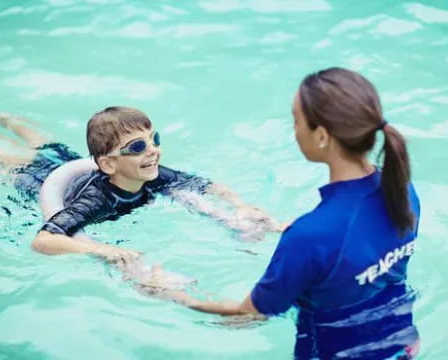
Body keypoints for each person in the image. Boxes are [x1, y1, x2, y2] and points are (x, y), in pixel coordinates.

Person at [174, 68, 421, 360]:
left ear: (321, 135)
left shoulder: (309, 237)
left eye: (296, 122)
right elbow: (358, 253)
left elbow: (248, 316)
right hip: (403, 346)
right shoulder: (402, 190)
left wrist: (175, 296)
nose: (295, 131)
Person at [0, 108, 281, 266]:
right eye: (137, 146)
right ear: (109, 165)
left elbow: (207, 186)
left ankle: (7, 119)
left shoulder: (153, 174)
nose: (153, 150)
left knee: (48, 146)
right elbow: (43, 240)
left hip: (72, 165)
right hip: (42, 181)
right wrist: (102, 250)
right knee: (16, 162)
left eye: (154, 139)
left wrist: (240, 206)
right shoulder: (96, 200)